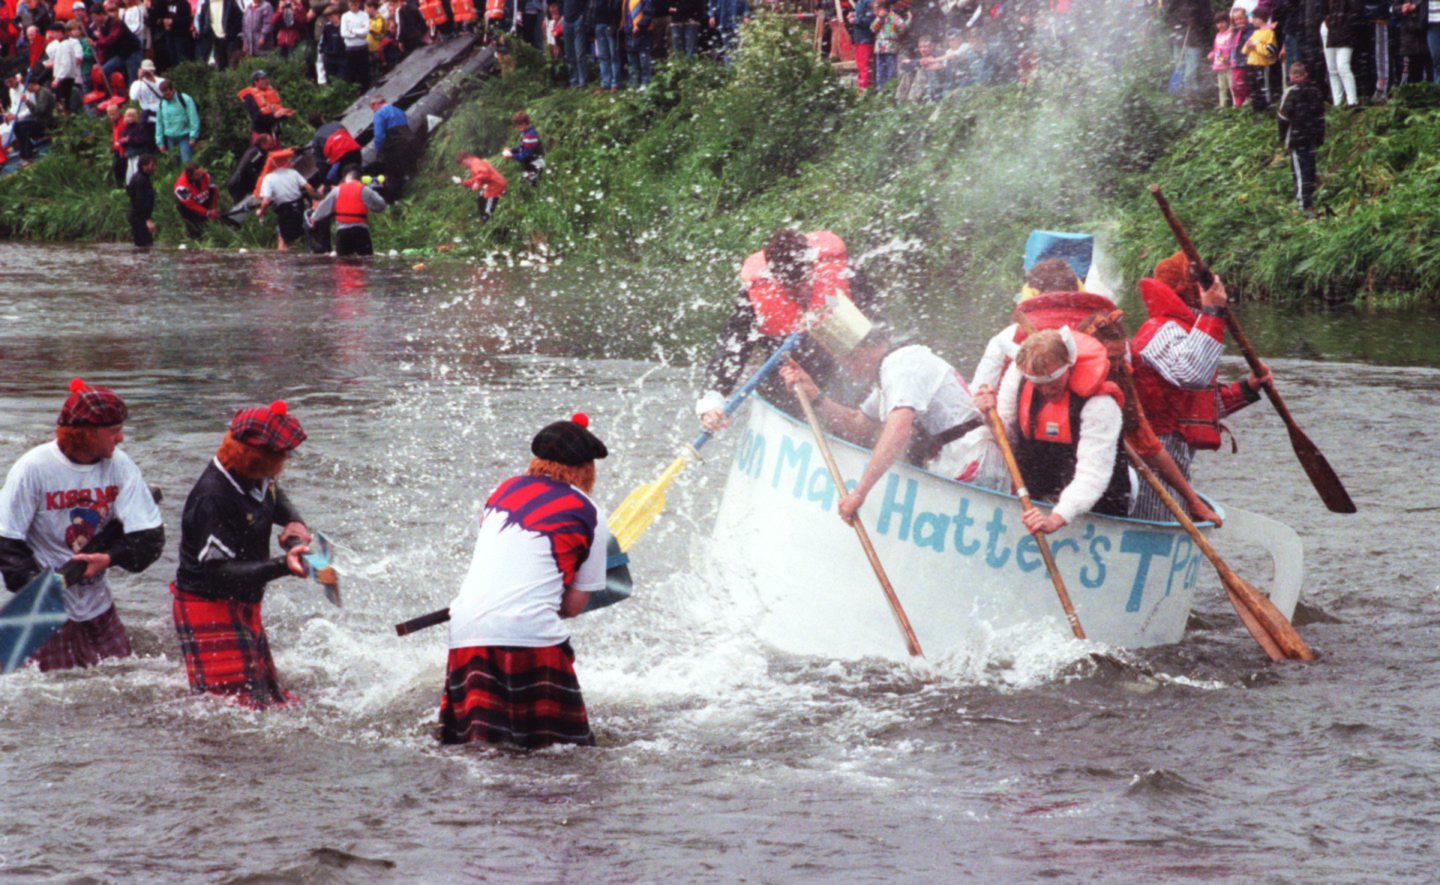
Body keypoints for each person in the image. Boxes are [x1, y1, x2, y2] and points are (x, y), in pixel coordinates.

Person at [439, 412, 610, 748]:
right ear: (587, 469)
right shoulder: (590, 512)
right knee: (562, 754)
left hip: (465, 632)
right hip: (531, 639)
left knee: (477, 751)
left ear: (537, 460)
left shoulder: (500, 492)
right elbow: (573, 607)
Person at [0, 379, 165, 671]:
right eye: (114, 431)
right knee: (54, 696)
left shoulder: (121, 466)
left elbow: (149, 538)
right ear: (86, 434)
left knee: (121, 685)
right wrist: (40, 591)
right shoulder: (33, 469)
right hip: (49, 612)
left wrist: (110, 558)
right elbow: (7, 543)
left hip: (98, 604)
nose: (121, 438)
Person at [171, 401, 317, 709]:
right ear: (257, 458)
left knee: (271, 698)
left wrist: (295, 521)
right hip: (209, 603)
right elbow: (218, 572)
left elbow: (274, 495)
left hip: (243, 600)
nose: (288, 459)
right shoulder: (213, 497)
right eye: (283, 455)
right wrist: (283, 565)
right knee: (232, 707)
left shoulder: (252, 475)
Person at [781, 325, 983, 523]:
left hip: (970, 460)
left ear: (859, 354)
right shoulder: (890, 370)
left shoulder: (901, 365)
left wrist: (860, 492)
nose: (849, 374)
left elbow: (898, 431)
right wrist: (814, 395)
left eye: (845, 365)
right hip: (953, 459)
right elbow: (857, 427)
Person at [1127, 254, 1271, 523]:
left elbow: (1195, 408)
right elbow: (1191, 374)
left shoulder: (1187, 332)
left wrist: (1248, 389)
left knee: (1168, 520)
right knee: (1155, 524)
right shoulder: (1160, 330)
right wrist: (1213, 312)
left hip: (1175, 458)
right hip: (1151, 457)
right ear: (1190, 291)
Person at [698, 228, 876, 429]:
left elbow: (879, 339)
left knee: (858, 394)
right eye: (791, 287)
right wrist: (712, 400)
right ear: (776, 278)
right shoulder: (756, 294)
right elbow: (731, 351)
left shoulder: (845, 272)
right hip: (786, 380)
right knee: (782, 380)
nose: (801, 292)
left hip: (844, 377)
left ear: (812, 266)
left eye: (804, 283)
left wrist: (829, 322)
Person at [973, 327, 1130, 535]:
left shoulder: (1100, 404)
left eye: (1053, 383)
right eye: (1039, 385)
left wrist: (1057, 518)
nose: (1046, 391)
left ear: (1068, 366)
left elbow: (1093, 474)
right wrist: (988, 415)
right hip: (1036, 502)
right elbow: (1006, 441)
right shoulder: (1020, 378)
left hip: (1097, 509)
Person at [1277, 62, 1325, 217]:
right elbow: (1320, 117)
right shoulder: (1316, 91)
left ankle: (1304, 205)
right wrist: (1319, 136)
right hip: (1311, 137)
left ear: (1291, 77)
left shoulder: (1290, 92)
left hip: (1297, 139)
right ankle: (1308, 201)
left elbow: (1283, 118)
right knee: (1309, 169)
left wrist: (1283, 138)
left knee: (1300, 172)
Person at [309, 164, 386, 255]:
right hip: (360, 231)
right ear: (359, 178)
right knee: (366, 261)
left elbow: (323, 207)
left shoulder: (337, 190)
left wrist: (314, 217)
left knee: (343, 263)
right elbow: (381, 205)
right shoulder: (365, 190)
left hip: (343, 233)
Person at [256, 149, 317, 251]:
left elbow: (266, 201)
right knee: (297, 236)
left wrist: (260, 212)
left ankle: (283, 262)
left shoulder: (268, 178)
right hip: (299, 208)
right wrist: (314, 202)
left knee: (283, 239)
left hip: (285, 211)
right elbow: (309, 188)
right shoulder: (293, 173)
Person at [369, 93, 416, 200]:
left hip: (395, 147)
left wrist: (378, 151)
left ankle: (395, 198)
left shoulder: (379, 114)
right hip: (409, 141)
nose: (373, 111)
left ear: (375, 104)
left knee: (391, 175)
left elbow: (379, 136)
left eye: (372, 108)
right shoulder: (397, 110)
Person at [238, 70, 294, 143]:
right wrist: (274, 117)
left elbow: (276, 112)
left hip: (274, 132)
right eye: (263, 79)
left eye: (266, 78)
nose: (266, 81)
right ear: (256, 82)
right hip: (261, 135)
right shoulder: (250, 97)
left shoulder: (270, 92)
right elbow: (256, 118)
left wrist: (284, 114)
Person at [8, 77, 54, 161]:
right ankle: (28, 150)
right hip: (40, 119)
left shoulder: (43, 93)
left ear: (31, 85)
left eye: (27, 87)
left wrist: (26, 101)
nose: (27, 90)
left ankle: (26, 155)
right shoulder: (37, 93)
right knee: (17, 125)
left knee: (23, 127)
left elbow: (40, 111)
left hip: (47, 121)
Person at [154, 78, 200, 163]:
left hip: (184, 135)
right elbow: (159, 123)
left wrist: (193, 137)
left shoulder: (185, 99)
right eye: (164, 94)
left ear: (172, 90)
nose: (166, 96)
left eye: (168, 92)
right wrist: (160, 142)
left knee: (186, 161)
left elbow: (193, 117)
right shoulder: (161, 103)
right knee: (175, 163)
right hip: (170, 138)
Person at [309, 111, 362, 185]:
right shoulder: (337, 125)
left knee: (331, 178)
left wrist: (325, 182)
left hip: (341, 160)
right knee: (358, 172)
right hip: (355, 151)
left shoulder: (317, 138)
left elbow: (320, 163)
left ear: (312, 126)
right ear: (322, 118)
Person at [1241, 10, 1279, 110]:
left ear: (1261, 19)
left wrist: (1256, 45)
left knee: (1264, 85)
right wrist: (1248, 46)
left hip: (1263, 64)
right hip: (1252, 63)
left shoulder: (1269, 33)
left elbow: (1270, 50)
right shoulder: (1255, 33)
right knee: (1254, 86)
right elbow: (1244, 50)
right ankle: (1257, 106)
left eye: (1254, 18)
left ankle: (1267, 105)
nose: (1252, 21)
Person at [455, 149, 506, 220]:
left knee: (487, 212)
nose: (463, 166)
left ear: (466, 158)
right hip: (491, 185)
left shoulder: (475, 164)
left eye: (463, 163)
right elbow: (475, 180)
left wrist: (477, 182)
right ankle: (486, 217)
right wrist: (462, 182)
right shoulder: (473, 165)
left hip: (496, 185)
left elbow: (484, 173)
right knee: (481, 199)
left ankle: (488, 218)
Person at [173, 160, 219, 239]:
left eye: (200, 172)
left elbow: (214, 190)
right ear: (190, 176)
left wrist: (212, 208)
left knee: (206, 224)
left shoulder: (205, 175)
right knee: (194, 230)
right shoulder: (181, 187)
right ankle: (194, 238)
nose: (200, 175)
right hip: (188, 208)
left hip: (203, 199)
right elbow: (191, 205)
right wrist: (207, 212)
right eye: (197, 175)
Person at [41, 20, 81, 110]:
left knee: (64, 104)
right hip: (62, 78)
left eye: (54, 33)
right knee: (61, 103)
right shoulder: (61, 45)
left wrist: (58, 79)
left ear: (59, 32)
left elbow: (66, 64)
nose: (52, 35)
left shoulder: (65, 45)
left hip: (65, 79)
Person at [869, 0, 906, 89]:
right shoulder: (878, 19)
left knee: (891, 70)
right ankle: (881, 89)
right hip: (880, 49)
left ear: (884, 8)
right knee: (880, 71)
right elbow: (872, 29)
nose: (876, 12)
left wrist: (894, 23)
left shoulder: (894, 17)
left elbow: (903, 28)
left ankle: (891, 89)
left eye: (877, 9)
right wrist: (880, 19)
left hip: (891, 48)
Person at [502, 109, 544, 185]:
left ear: (524, 124)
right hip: (530, 165)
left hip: (535, 165)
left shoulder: (530, 135)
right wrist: (512, 149)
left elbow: (525, 156)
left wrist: (511, 155)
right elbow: (522, 148)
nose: (517, 129)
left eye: (518, 127)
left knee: (534, 187)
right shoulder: (526, 133)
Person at [127, 57, 163, 143]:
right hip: (148, 118)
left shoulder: (160, 81)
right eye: (145, 71)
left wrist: (153, 80)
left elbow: (164, 94)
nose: (147, 73)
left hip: (161, 115)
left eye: (150, 70)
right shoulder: (137, 84)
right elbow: (133, 97)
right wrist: (140, 79)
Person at [126, 152, 156, 246]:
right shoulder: (141, 179)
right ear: (144, 166)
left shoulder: (140, 177)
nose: (155, 168)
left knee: (144, 247)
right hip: (139, 217)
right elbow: (139, 201)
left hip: (137, 216)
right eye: (152, 165)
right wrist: (147, 219)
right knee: (145, 246)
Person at [1208, 11, 1235, 109]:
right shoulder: (1217, 35)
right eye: (1218, 23)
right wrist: (1212, 53)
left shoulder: (1230, 33)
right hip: (1219, 64)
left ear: (1227, 22)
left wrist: (1232, 28)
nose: (1220, 25)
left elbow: (1232, 45)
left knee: (1232, 85)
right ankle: (1223, 103)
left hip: (1228, 63)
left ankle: (1236, 102)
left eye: (1223, 22)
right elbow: (1216, 48)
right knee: (1221, 86)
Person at [341, 0, 372, 86]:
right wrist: (358, 33)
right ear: (348, 4)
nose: (353, 5)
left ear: (359, 3)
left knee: (364, 73)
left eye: (355, 3)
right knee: (351, 74)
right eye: (351, 3)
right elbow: (343, 33)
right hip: (350, 49)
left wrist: (352, 31)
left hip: (362, 47)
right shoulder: (345, 16)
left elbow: (365, 32)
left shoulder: (364, 15)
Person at [621, 0, 650, 88]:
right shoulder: (625, 1)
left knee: (643, 60)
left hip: (642, 33)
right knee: (632, 61)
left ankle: (645, 83)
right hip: (628, 33)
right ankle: (633, 84)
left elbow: (648, 14)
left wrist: (639, 25)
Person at [593, 0, 621, 91]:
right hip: (598, 24)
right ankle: (605, 82)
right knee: (602, 56)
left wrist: (615, 23)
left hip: (610, 23)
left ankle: (615, 83)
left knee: (614, 55)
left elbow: (617, 7)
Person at [848, 0, 874, 91]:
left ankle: (865, 90)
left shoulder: (870, 2)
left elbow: (871, 21)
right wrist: (853, 16)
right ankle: (862, 88)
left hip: (866, 38)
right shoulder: (859, 2)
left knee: (865, 66)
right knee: (860, 66)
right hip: (858, 38)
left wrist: (855, 20)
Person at [561, 0, 587, 86]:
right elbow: (559, 3)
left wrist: (582, 16)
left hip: (577, 20)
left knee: (580, 53)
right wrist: (562, 15)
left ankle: (582, 82)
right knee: (569, 55)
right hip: (566, 21)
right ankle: (574, 82)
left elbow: (587, 3)